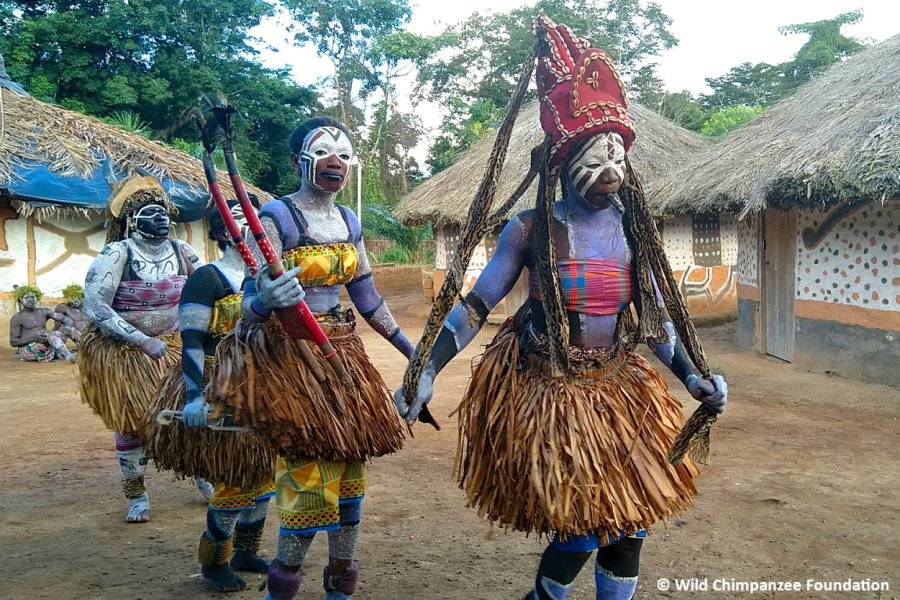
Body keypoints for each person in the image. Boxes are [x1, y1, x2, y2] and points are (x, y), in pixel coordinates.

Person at [396, 17, 728, 600]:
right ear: (563, 161)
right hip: (553, 389)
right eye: (598, 156)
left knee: (629, 526)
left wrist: (695, 377)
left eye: (619, 156)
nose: (613, 171)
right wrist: (425, 367)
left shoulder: (634, 232)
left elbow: (655, 322)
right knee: (577, 531)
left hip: (618, 388)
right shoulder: (529, 231)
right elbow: (474, 308)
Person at [215, 116, 412, 600]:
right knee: (307, 491)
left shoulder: (349, 221)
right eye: (324, 151)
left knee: (350, 485)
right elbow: (246, 308)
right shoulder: (278, 219)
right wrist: (266, 299)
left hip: (343, 361)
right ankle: (281, 587)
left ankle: (339, 588)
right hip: (293, 365)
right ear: (297, 161)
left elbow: (367, 298)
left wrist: (413, 351)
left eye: (345, 155)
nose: (335, 163)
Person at [144, 202, 276, 592]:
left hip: (264, 390)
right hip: (219, 386)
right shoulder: (208, 277)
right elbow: (192, 342)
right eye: (242, 220)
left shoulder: (264, 276)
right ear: (222, 232)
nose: (254, 226)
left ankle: (246, 550)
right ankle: (214, 562)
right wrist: (194, 396)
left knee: (264, 475)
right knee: (234, 479)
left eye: (257, 220)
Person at [80, 175, 206, 523]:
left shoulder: (184, 251)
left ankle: (203, 474)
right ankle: (137, 494)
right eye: (151, 212)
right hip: (128, 355)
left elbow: (206, 290)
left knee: (191, 414)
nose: (161, 218)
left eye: (164, 212)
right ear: (131, 220)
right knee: (133, 423)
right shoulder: (116, 253)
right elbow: (96, 306)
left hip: (177, 347)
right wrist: (140, 340)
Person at [9, 288, 76, 363]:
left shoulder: (43, 311)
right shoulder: (17, 317)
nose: (30, 300)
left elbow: (65, 318)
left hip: (49, 342)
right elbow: (13, 342)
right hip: (31, 349)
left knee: (70, 329)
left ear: (36, 299)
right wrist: (33, 338)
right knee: (45, 333)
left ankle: (87, 350)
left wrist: (68, 325)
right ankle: (68, 355)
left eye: (32, 297)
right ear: (21, 300)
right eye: (26, 298)